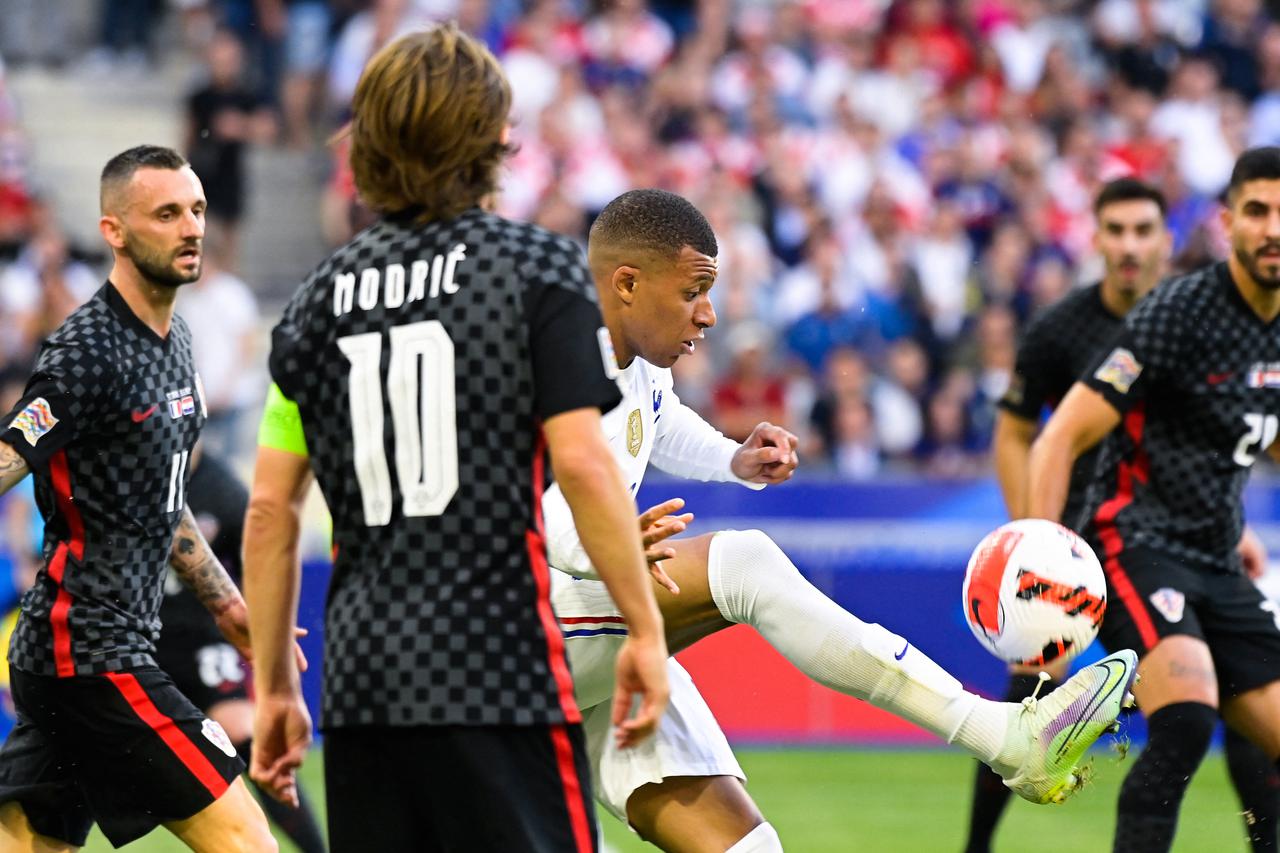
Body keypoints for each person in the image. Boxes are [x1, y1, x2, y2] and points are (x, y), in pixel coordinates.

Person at [542, 188, 1139, 852]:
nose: (708, 313)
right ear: (627, 282)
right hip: (510, 630)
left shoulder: (636, 362)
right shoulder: (549, 352)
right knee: (744, 564)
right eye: (694, 290)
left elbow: (655, 418)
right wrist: (611, 541)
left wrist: (731, 458)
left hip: (591, 649)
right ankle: (999, 735)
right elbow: (537, 516)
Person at [241, 25, 668, 853]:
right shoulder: (535, 272)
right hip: (495, 666)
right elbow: (582, 462)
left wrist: (271, 689)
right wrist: (646, 632)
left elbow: (269, 511)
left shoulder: (315, 304)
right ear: (491, 138)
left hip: (362, 680)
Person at [973, 177, 1280, 852]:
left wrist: (1242, 529)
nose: (1130, 245)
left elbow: (1228, 433)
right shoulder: (1091, 325)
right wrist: (1035, 541)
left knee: (1246, 728)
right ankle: (975, 845)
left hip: (1210, 550)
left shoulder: (1242, 322)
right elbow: (1030, 433)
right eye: (1117, 230)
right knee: (1158, 714)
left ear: (1166, 238)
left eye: (1144, 230)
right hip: (1108, 539)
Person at [0, 145, 283, 852]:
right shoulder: (85, 353)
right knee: (249, 839)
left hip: (70, 656)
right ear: (115, 231)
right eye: (166, 213)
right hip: (90, 656)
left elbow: (165, 495)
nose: (191, 227)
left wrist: (224, 604)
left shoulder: (176, 337)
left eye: (196, 210)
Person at [156, 445, 327, 853]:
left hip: (203, 640)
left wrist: (265, 624)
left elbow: (260, 563)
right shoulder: (137, 473)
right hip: (137, 639)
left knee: (242, 733)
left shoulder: (224, 491)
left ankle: (316, 848)